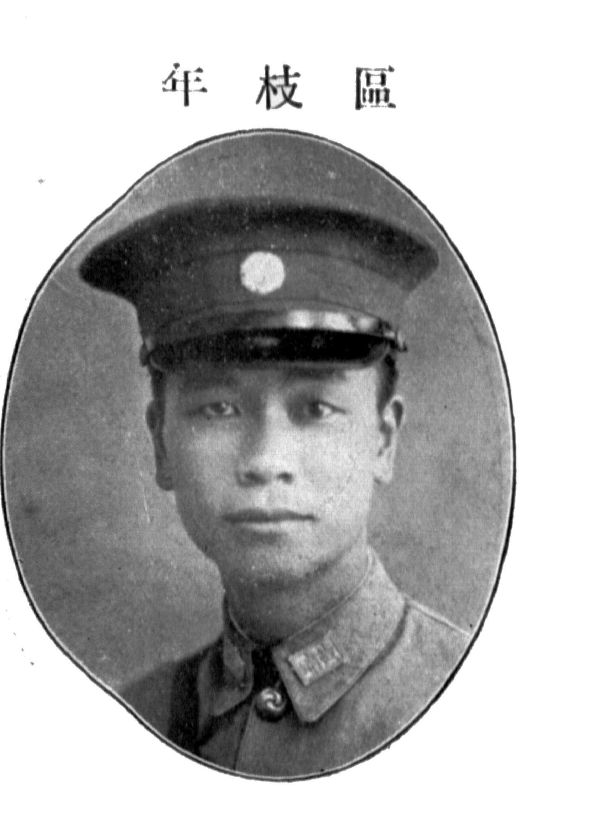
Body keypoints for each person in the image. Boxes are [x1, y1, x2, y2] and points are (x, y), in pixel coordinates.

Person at [80, 198, 470, 778]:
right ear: (161, 444)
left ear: (384, 440)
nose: (265, 461)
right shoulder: (126, 722)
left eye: (315, 409)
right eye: (218, 409)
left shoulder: (473, 702)